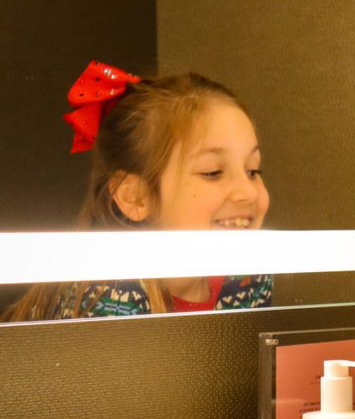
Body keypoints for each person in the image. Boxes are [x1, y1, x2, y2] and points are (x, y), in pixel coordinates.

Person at [4, 61, 272, 320]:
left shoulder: (247, 278)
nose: (247, 193)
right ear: (135, 197)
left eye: (253, 171)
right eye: (212, 172)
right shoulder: (107, 295)